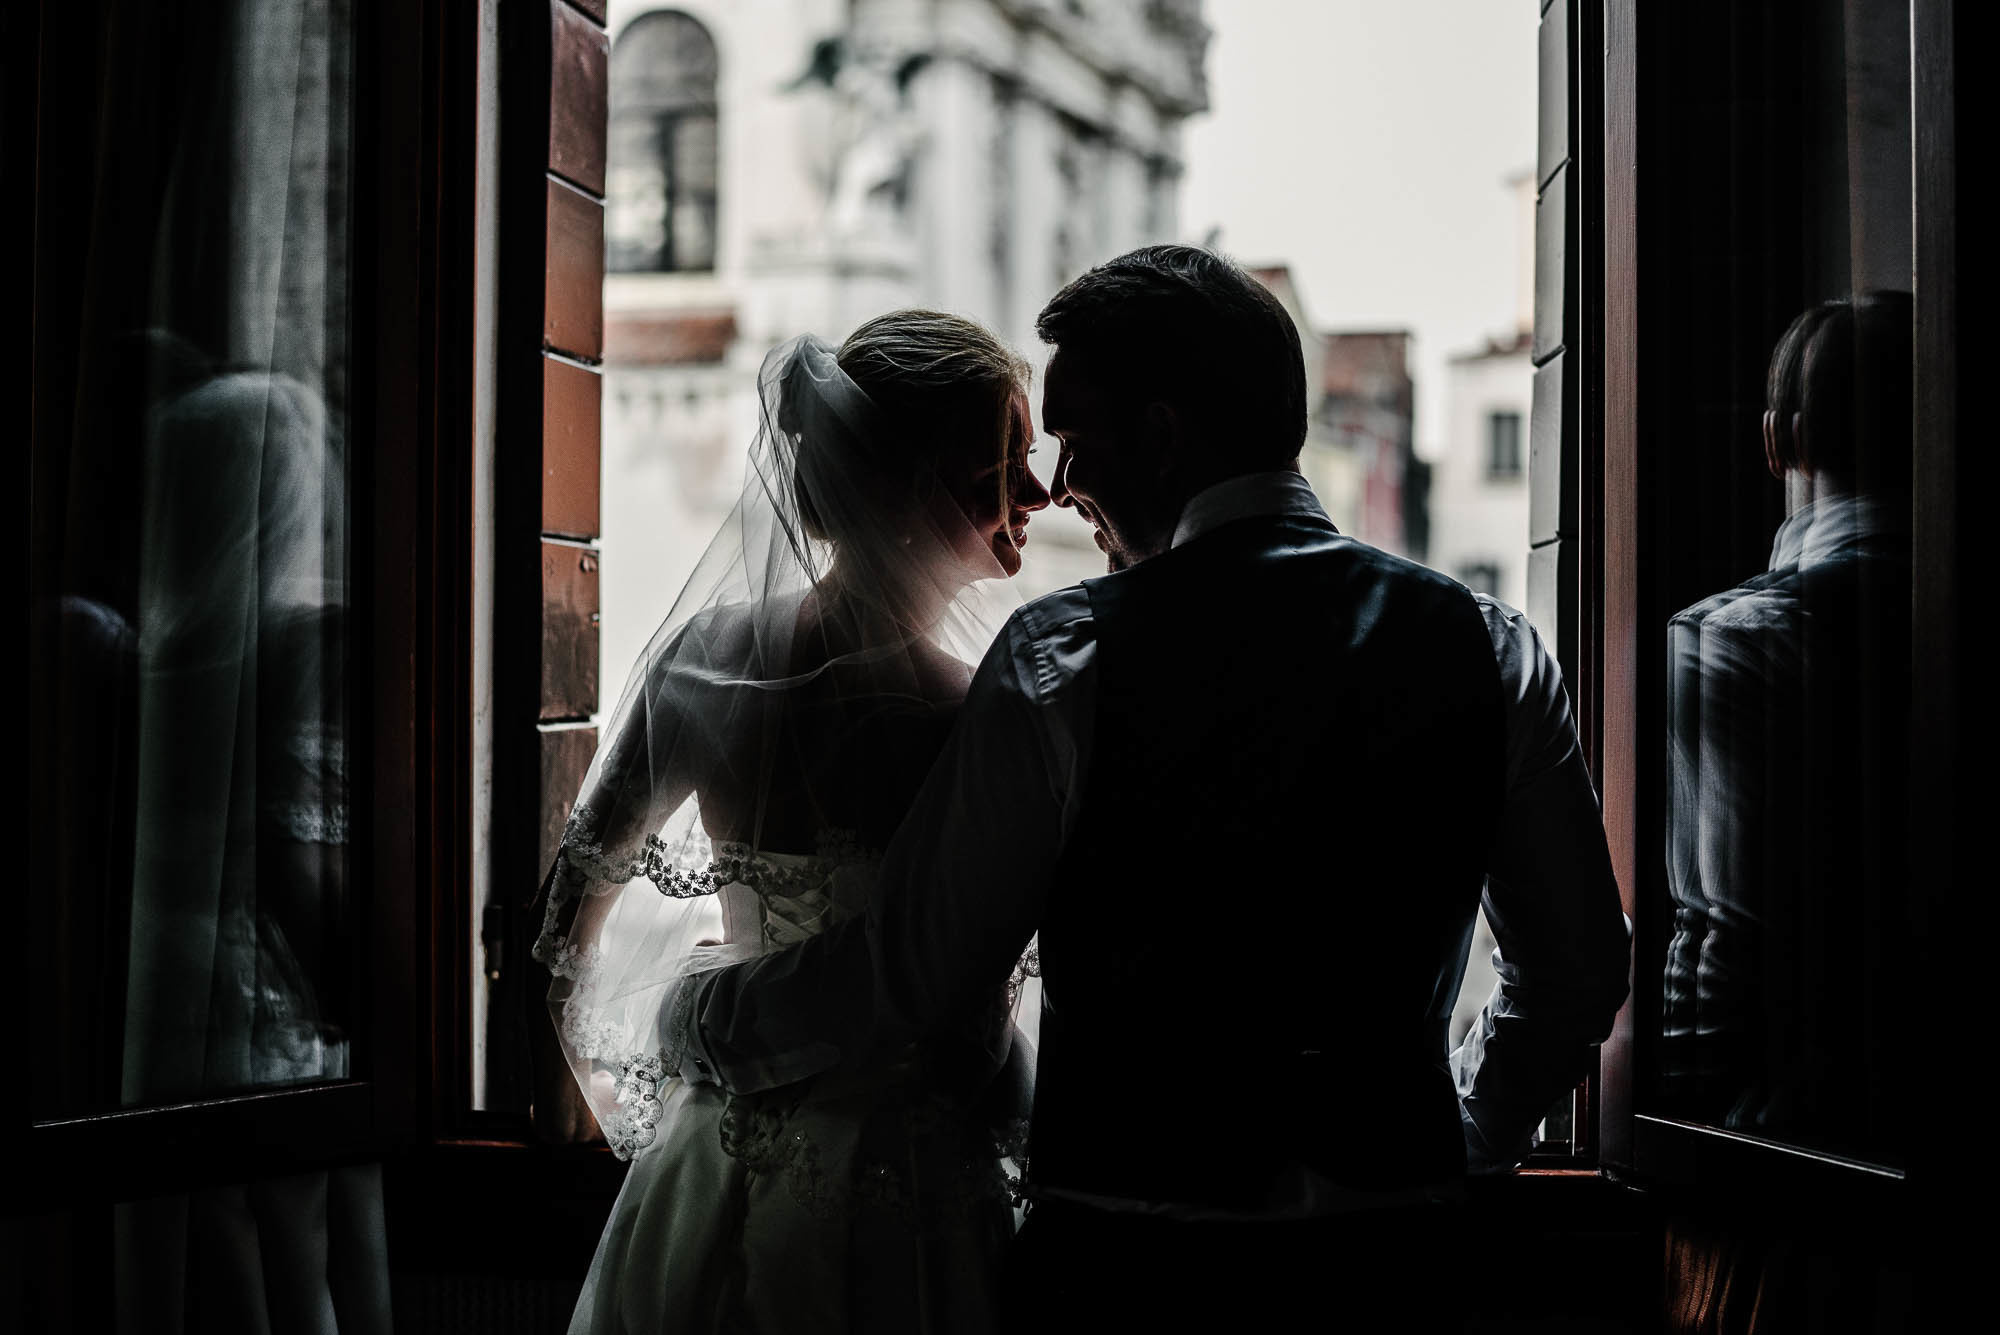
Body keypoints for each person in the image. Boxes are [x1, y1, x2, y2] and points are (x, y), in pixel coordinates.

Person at [677, 246, 1633, 1328]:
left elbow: (917, 975)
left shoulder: (1063, 656)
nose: (1063, 485)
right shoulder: (1488, 645)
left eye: (1077, 440)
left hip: (1124, 1275)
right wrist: (1463, 1141)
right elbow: (1575, 970)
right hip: (1396, 1270)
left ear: (1164, 433)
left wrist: (700, 1012)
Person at [532, 312, 1053, 1334]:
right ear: (907, 486)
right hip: (908, 1184)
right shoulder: (979, 710)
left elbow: (568, 912)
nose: (1037, 493)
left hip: (709, 1163)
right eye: (1002, 462)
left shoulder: (707, 661)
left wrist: (600, 1102)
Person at [1659, 292, 1912, 1160]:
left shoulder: (1734, 640)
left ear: (1779, 439)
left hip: (1790, 1158)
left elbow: (1717, 936)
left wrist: (1678, 1135)